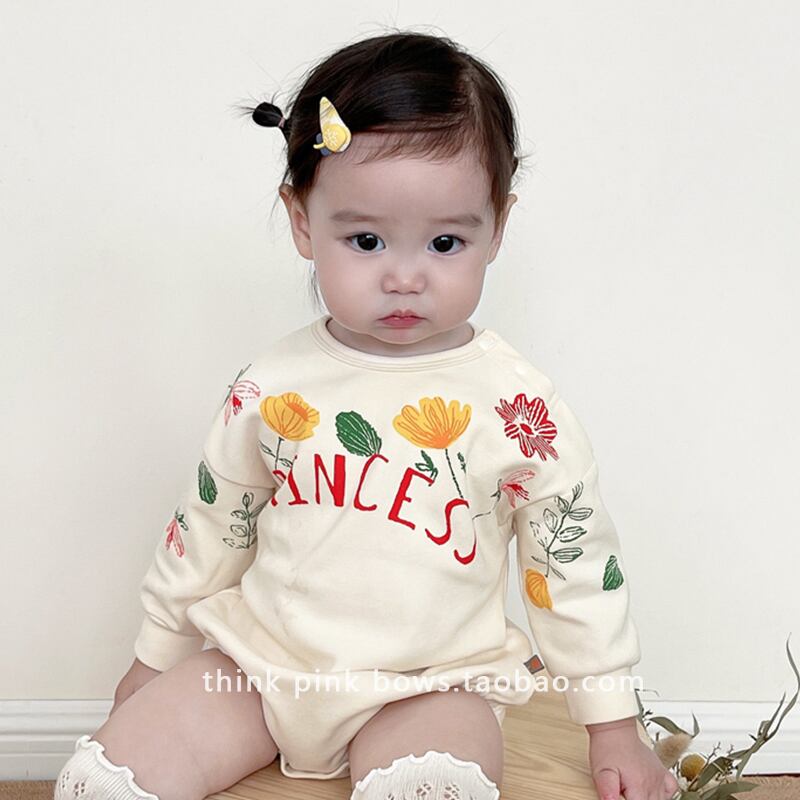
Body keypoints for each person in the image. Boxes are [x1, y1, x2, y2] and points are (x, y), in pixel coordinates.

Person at [54, 29, 680, 800]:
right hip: (256, 670)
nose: (405, 276)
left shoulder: (518, 408)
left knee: (434, 784)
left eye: (445, 241)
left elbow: (572, 566)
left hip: (431, 685)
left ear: (497, 226)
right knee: (102, 779)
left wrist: (612, 723)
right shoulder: (271, 386)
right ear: (302, 221)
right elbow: (214, 525)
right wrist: (154, 657)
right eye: (366, 239)